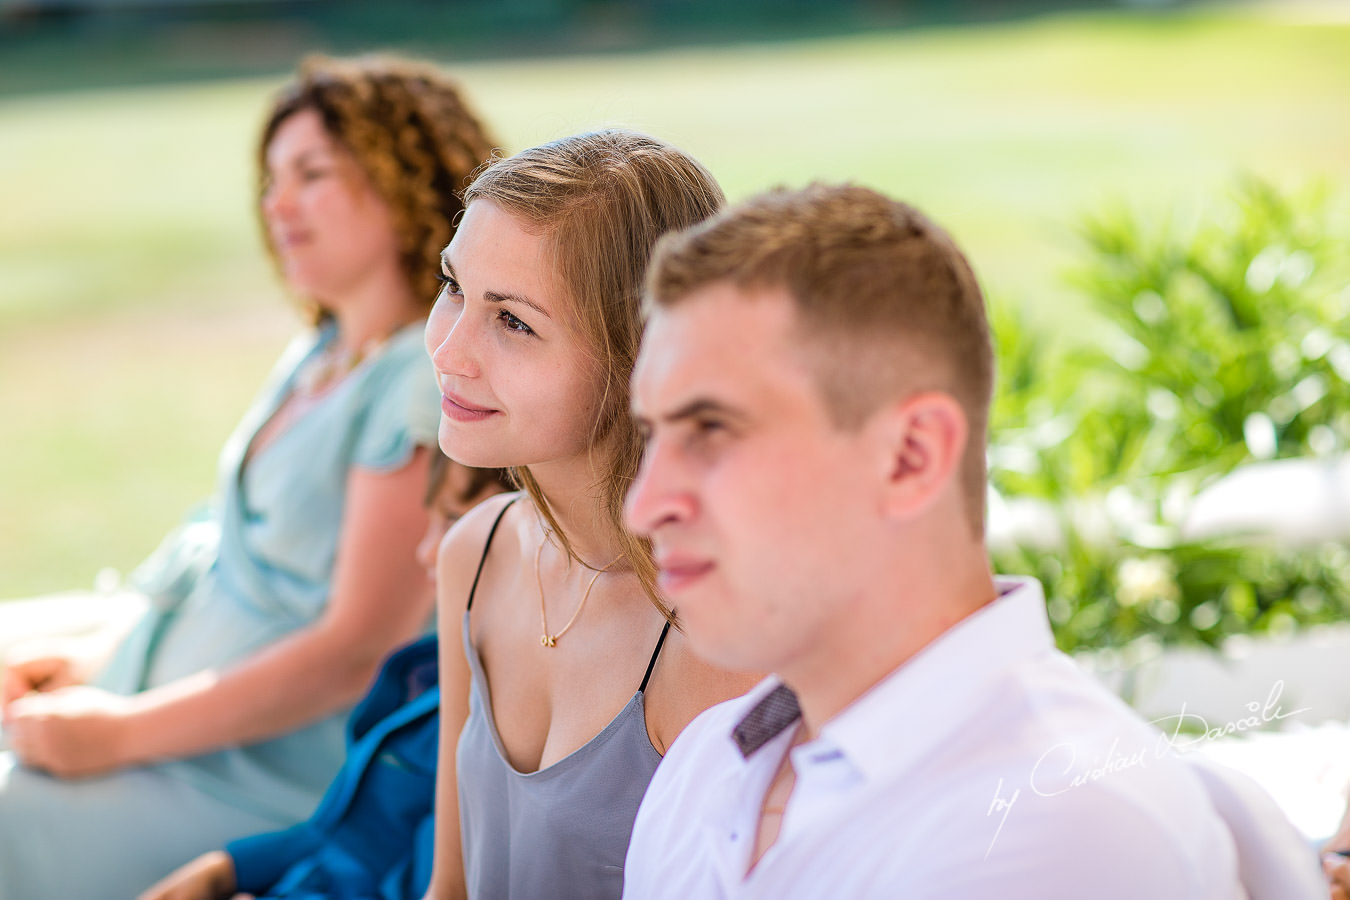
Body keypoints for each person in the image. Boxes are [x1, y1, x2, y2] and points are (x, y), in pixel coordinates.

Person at [619, 183, 1324, 899]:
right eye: (652, 435)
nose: (643, 506)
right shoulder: (705, 765)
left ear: (911, 457)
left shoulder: (1061, 831)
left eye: (711, 429)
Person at [0, 55, 498, 899]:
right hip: (154, 726)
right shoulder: (322, 354)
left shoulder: (417, 379)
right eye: (271, 180)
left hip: (240, 777)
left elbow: (354, 650)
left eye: (312, 174)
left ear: (401, 180)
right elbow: (235, 570)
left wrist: (114, 735)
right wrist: (86, 661)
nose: (278, 205)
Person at [421, 128, 762, 900]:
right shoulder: (474, 557)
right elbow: (452, 887)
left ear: (642, 357)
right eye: (453, 289)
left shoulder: (722, 640)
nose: (448, 350)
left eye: (511, 321)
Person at [136, 450, 511, 900]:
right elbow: (350, 835)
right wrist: (227, 868)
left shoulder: (496, 726)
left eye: (454, 522)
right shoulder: (424, 677)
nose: (426, 551)